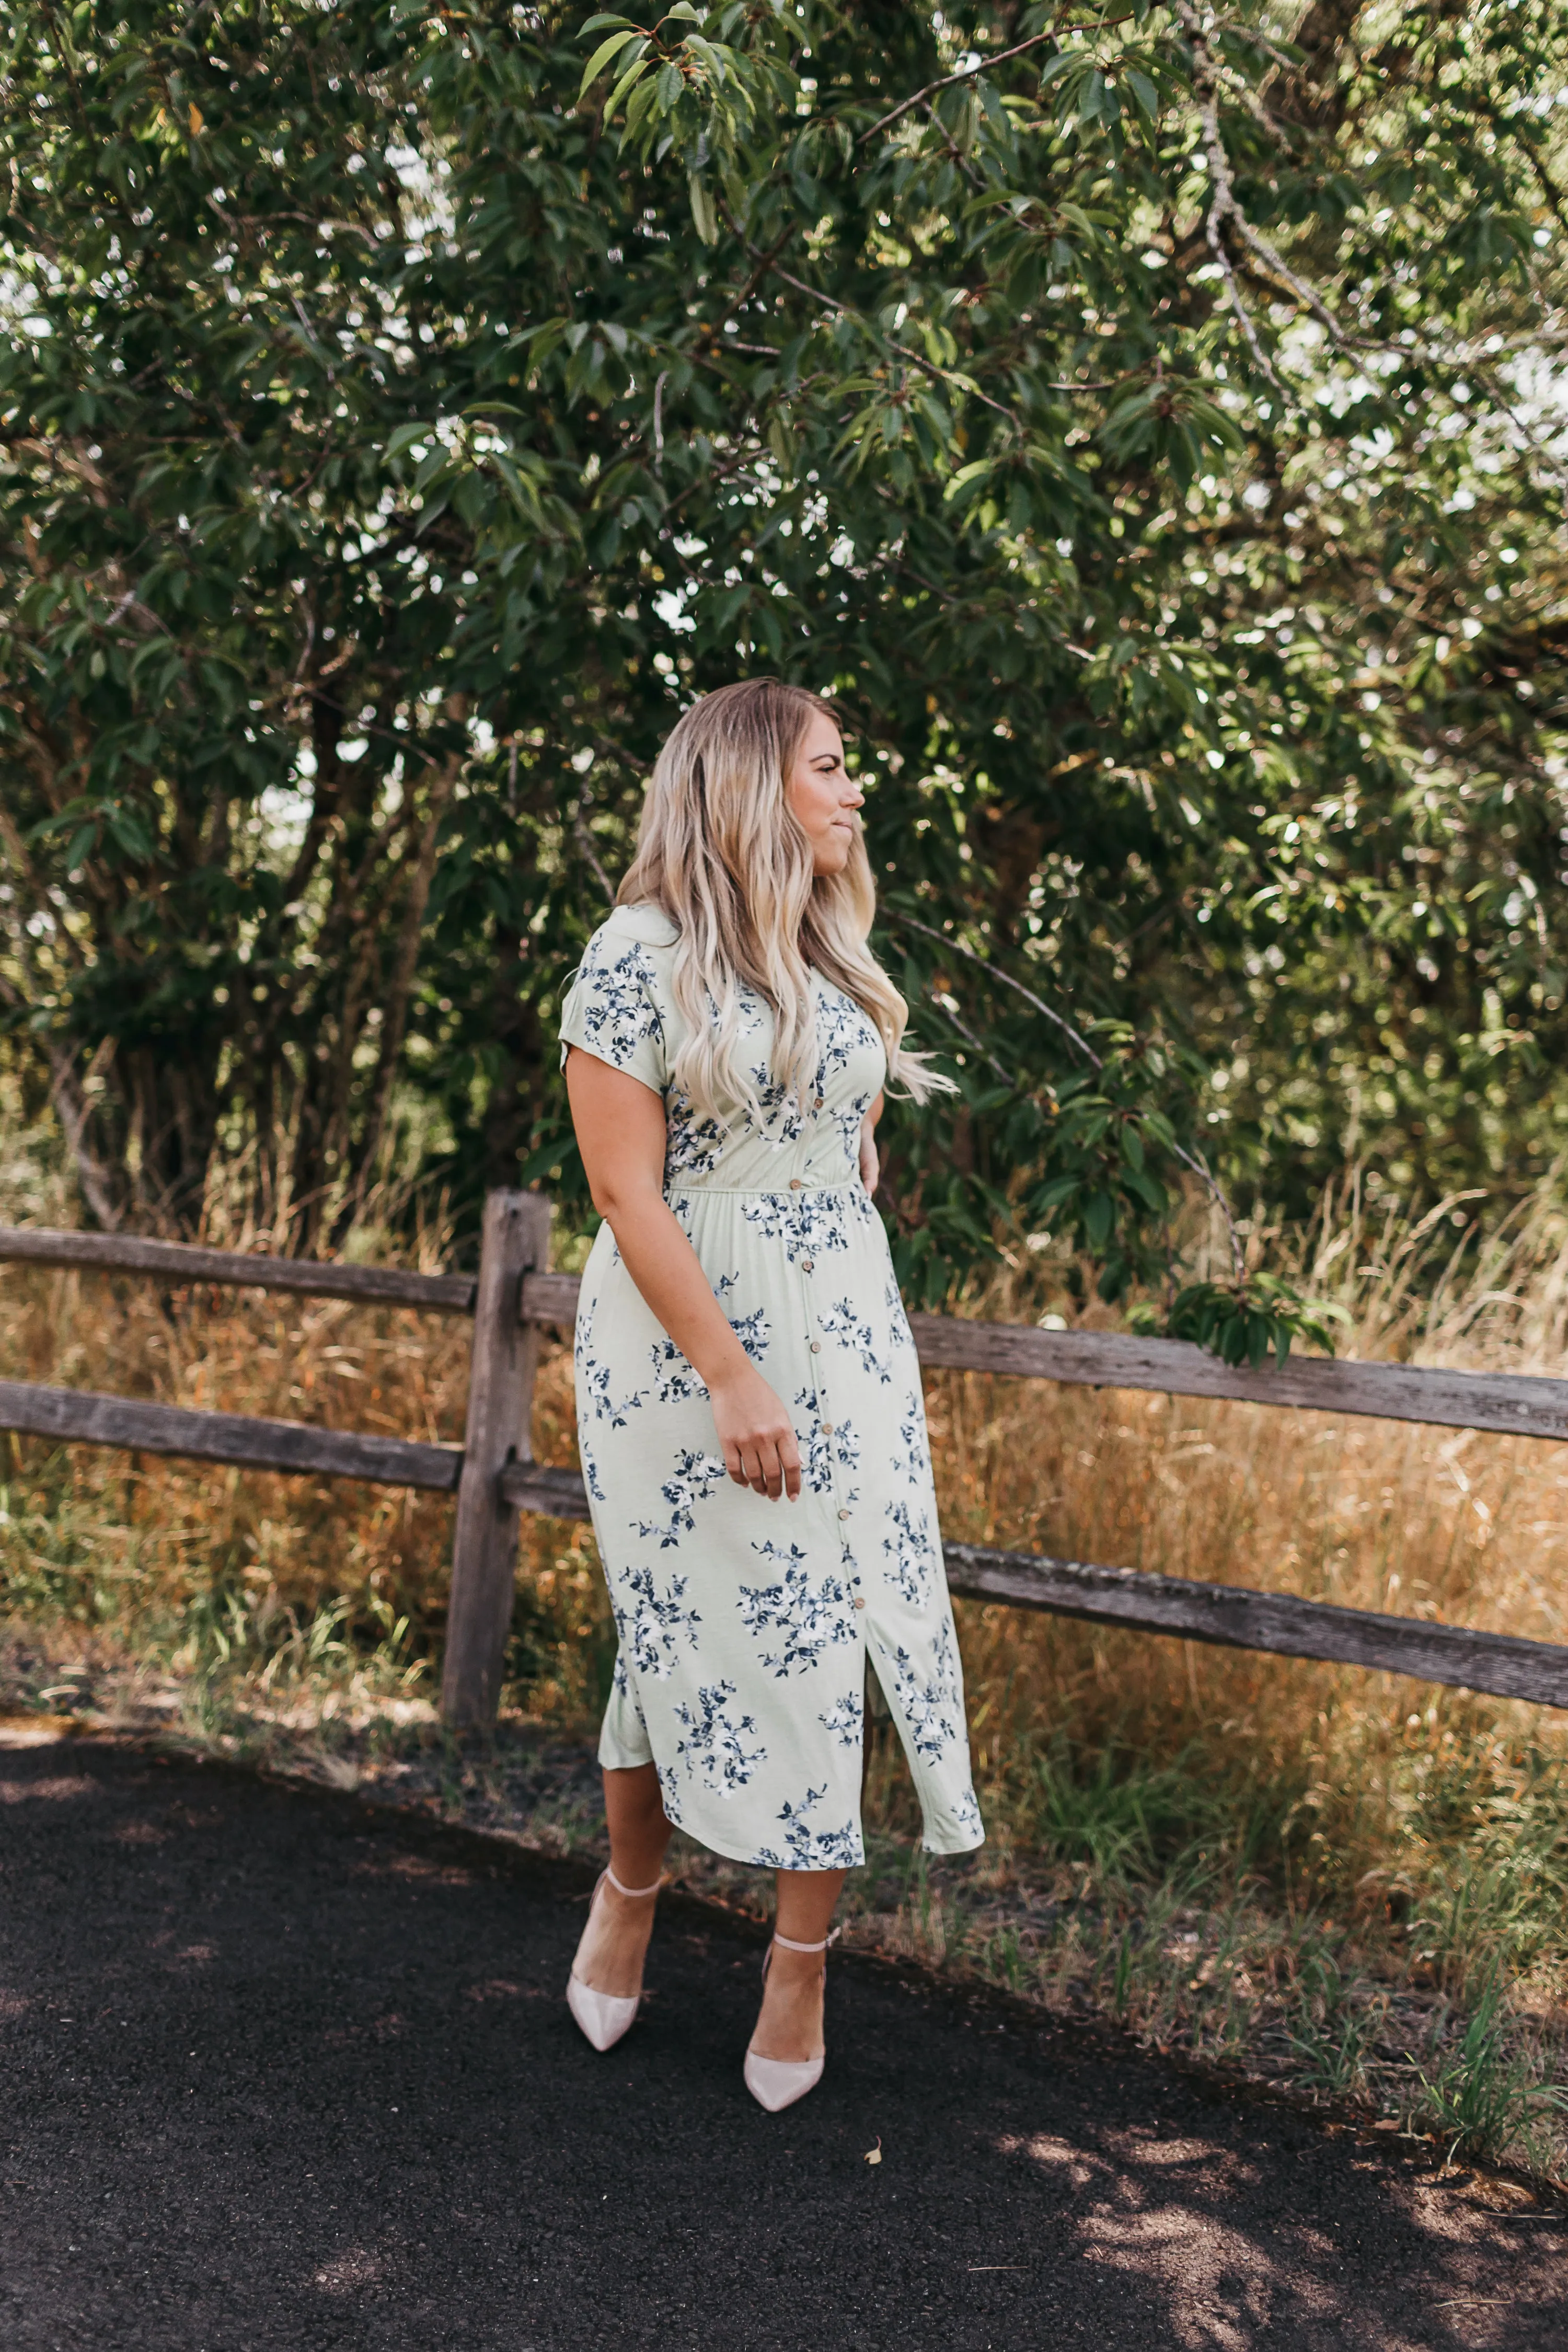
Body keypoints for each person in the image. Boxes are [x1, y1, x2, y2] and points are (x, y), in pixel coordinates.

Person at [558, 677, 984, 2112]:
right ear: (751, 779)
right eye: (832, 765)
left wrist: (835, 1186)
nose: (855, 790)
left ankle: (799, 1960)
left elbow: (841, 1131)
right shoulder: (636, 952)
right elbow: (625, 1186)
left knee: (831, 1621)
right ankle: (632, 1884)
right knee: (671, 1621)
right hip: (682, 1342)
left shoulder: (828, 942)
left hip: (841, 1327)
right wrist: (734, 1367)